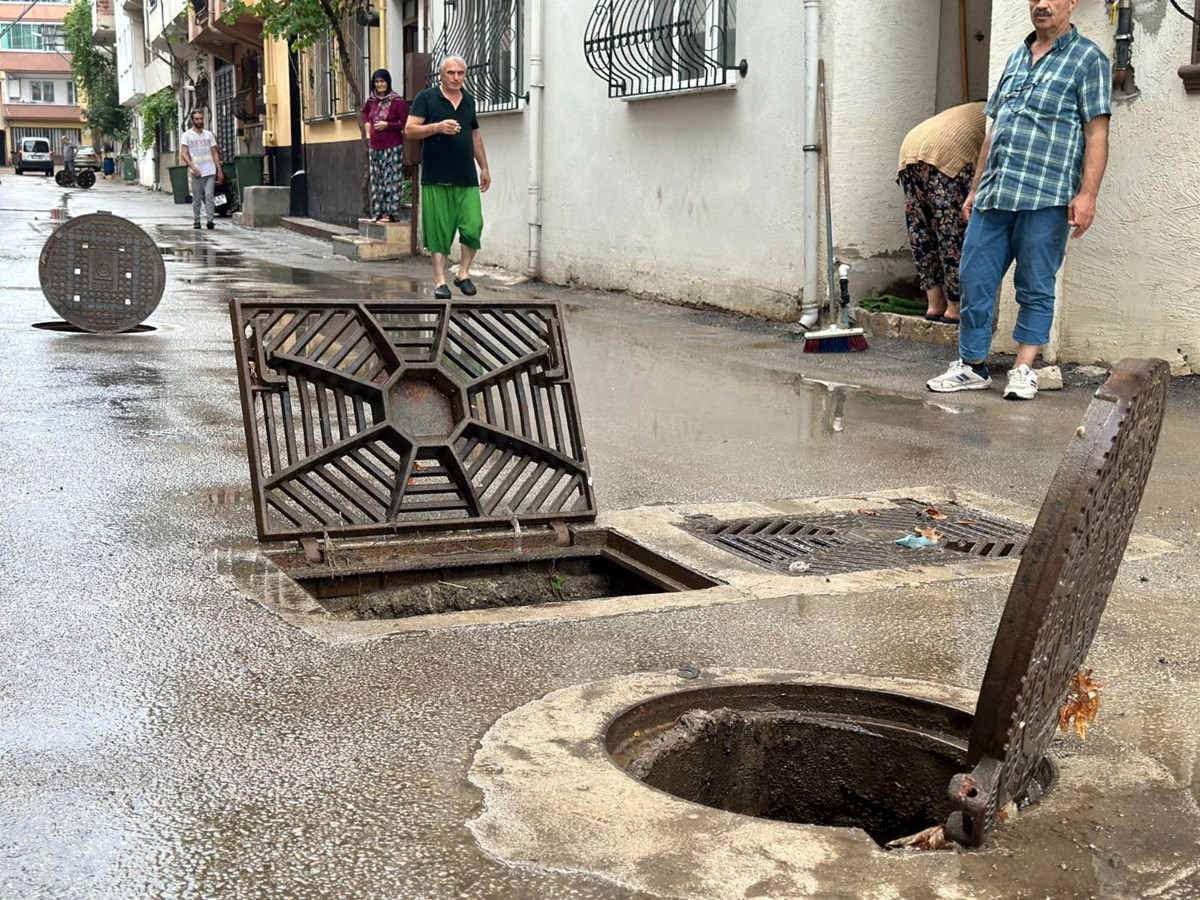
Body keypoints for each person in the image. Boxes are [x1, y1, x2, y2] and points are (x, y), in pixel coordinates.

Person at [927, 0, 1110, 401]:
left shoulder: (1088, 60)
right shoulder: (1015, 56)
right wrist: (975, 188)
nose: (1041, 4)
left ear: (1071, 3)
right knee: (974, 280)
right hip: (996, 193)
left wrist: (1087, 195)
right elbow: (993, 131)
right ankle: (972, 366)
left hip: (1047, 194)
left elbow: (1096, 133)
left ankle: (1024, 367)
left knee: (1035, 285)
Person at [405, 55, 491, 299]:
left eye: (460, 73)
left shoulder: (469, 102)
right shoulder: (427, 98)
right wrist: (436, 127)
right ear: (441, 75)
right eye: (451, 73)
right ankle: (440, 281)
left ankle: (463, 273)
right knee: (438, 231)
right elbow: (409, 130)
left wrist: (484, 167)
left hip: (466, 177)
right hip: (436, 176)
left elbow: (475, 136)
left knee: (473, 226)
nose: (455, 78)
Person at [897, 102, 986, 325]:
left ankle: (934, 304)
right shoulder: (990, 113)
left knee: (921, 229)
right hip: (946, 152)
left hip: (910, 149)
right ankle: (955, 308)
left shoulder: (964, 111)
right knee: (952, 232)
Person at [361, 68, 408, 223]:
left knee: (391, 180)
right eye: (377, 82)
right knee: (377, 180)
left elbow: (404, 123)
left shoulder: (397, 101)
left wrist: (387, 125)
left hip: (392, 147)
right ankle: (378, 212)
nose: (379, 85)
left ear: (388, 83)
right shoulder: (372, 100)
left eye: (382, 81)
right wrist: (367, 123)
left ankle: (391, 214)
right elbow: (364, 112)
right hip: (375, 147)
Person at [180, 109, 225, 231]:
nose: (200, 121)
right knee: (197, 197)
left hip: (210, 170)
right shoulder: (187, 136)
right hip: (197, 172)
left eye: (201, 119)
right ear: (192, 120)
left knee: (209, 195)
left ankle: (210, 220)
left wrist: (219, 171)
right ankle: (197, 220)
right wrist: (193, 167)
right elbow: (184, 154)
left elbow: (215, 153)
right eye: (197, 119)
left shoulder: (209, 135)